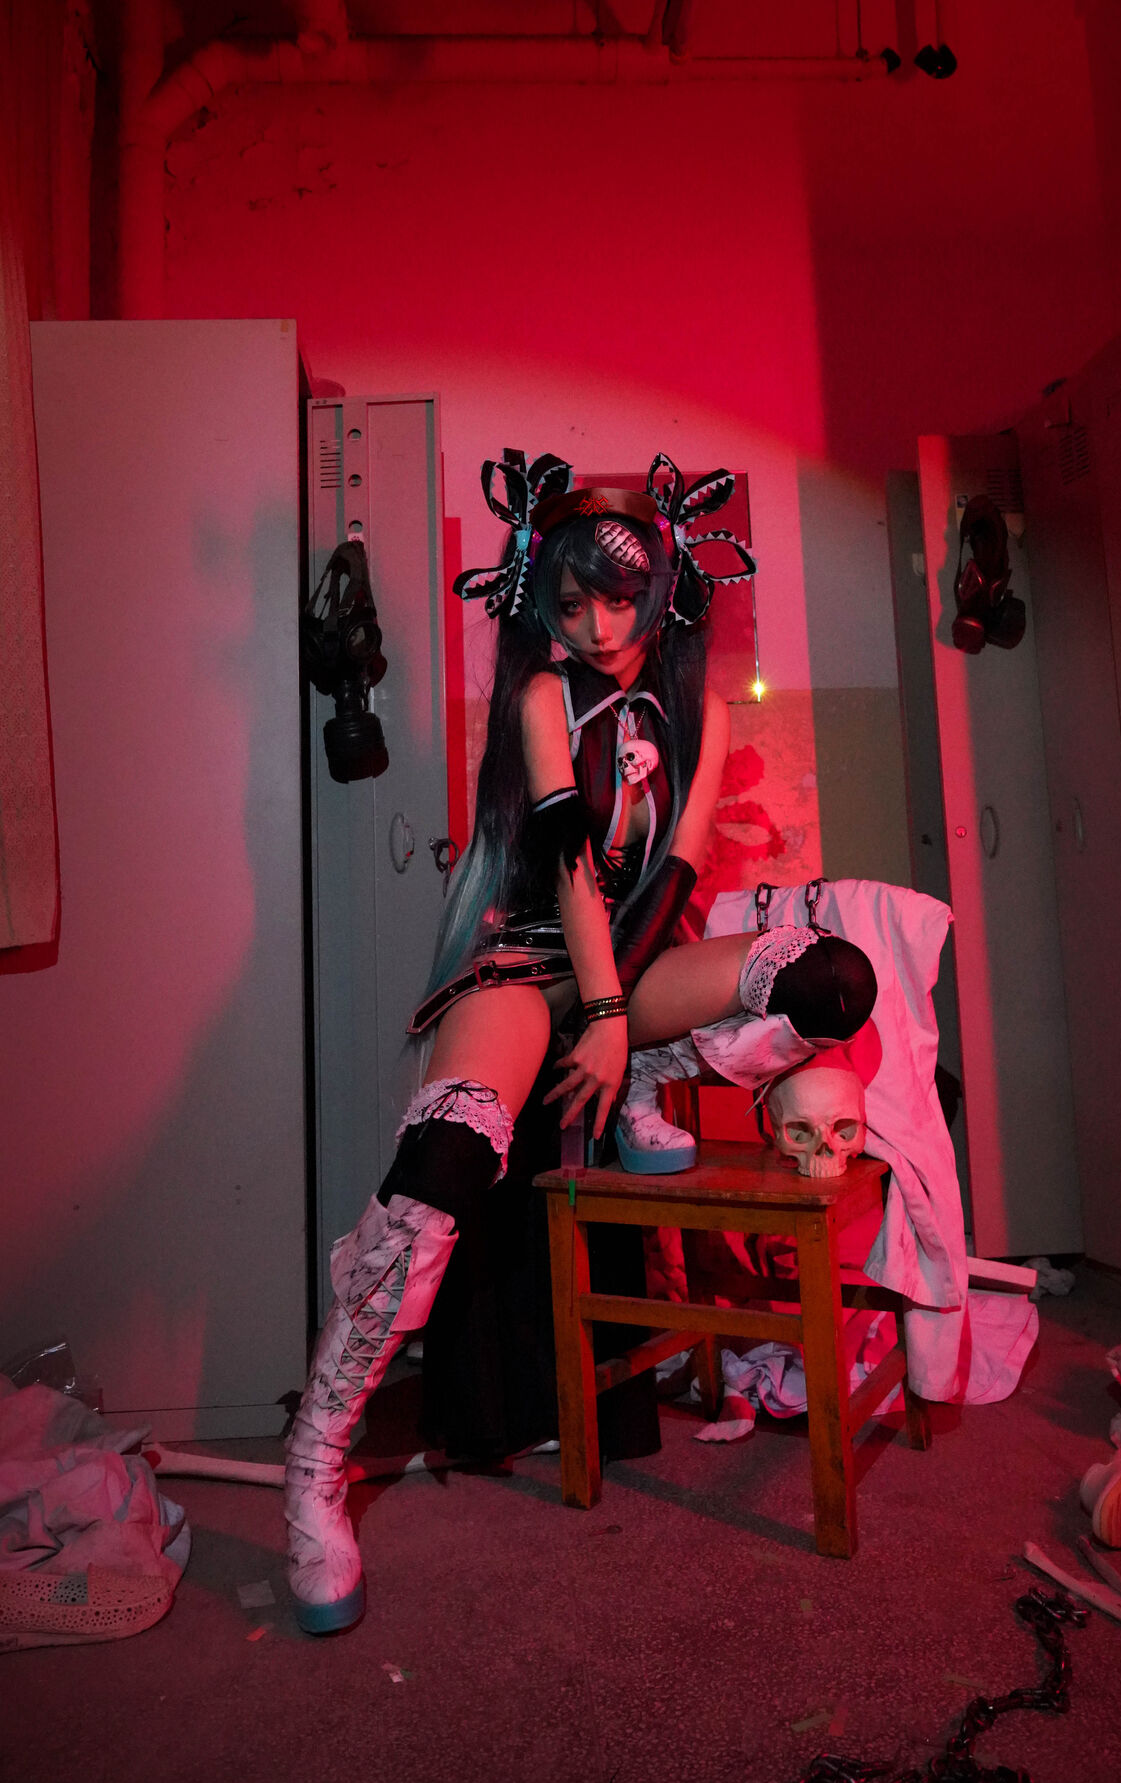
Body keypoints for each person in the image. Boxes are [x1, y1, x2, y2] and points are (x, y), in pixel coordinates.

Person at [283, 449, 877, 1634]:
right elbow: (565, 869)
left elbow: (682, 872)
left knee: (830, 978)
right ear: (539, 604)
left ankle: (648, 1067)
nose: (599, 628)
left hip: (635, 957)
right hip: (524, 959)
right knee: (442, 1168)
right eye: (571, 604)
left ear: (662, 591)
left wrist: (626, 1018)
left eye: (620, 600)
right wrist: (598, 1014)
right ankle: (314, 1467)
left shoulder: (701, 708)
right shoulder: (540, 699)